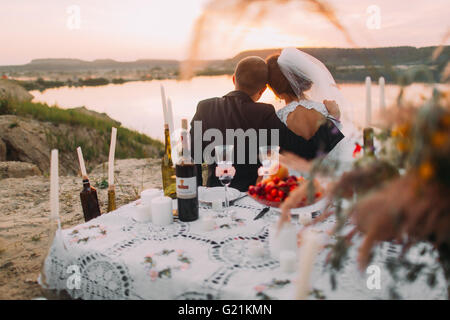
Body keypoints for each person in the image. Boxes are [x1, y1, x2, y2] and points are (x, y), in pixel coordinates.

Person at [189, 56, 343, 192]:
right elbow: (305, 152)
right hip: (251, 198)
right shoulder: (264, 113)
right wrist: (333, 120)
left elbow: (192, 158)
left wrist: (193, 196)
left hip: (216, 196)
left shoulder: (205, 107)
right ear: (262, 90)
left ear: (234, 79)